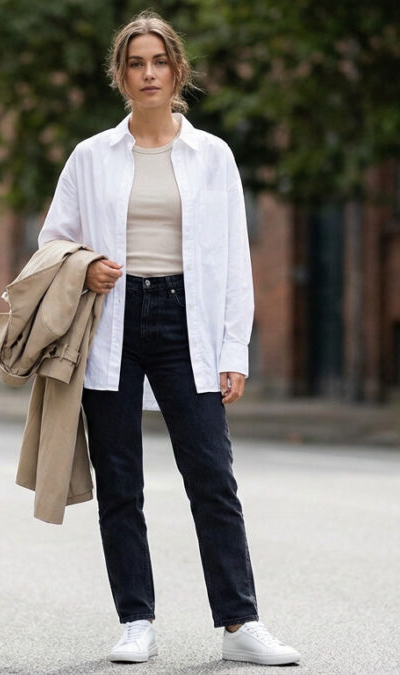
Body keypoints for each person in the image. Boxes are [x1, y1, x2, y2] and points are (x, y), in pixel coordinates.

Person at [37, 11, 301, 667]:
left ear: (176, 70)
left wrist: (234, 350)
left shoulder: (212, 156)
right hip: (112, 321)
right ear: (121, 76)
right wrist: (85, 264)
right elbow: (51, 242)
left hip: (189, 322)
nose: (148, 73)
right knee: (122, 482)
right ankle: (135, 619)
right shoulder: (91, 157)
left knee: (212, 476)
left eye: (158, 61)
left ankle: (239, 622)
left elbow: (234, 259)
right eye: (136, 63)